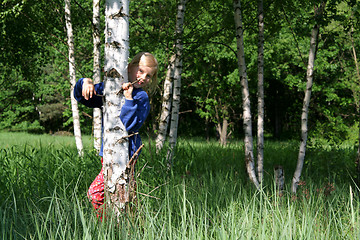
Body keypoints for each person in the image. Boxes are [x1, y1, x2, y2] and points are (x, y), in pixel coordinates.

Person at [74, 52, 158, 214]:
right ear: (129, 67)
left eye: (148, 76)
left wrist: (128, 100)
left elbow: (129, 125)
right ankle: (116, 227)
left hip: (126, 155)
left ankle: (111, 227)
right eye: (140, 71)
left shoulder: (141, 98)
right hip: (108, 152)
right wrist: (86, 82)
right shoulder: (112, 86)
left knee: (98, 194)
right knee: (120, 195)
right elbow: (84, 97)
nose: (142, 78)